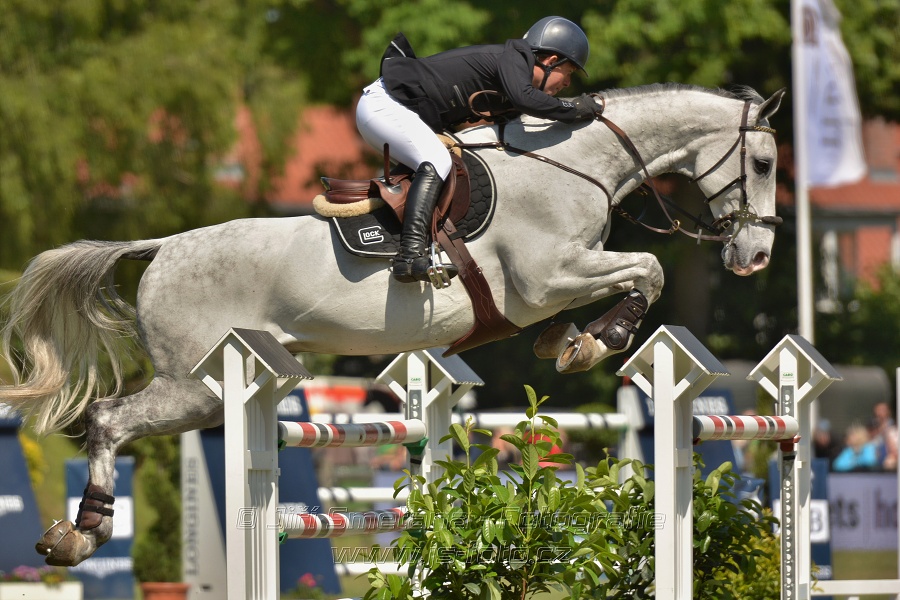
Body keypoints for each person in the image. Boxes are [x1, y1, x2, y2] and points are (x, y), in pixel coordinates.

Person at [356, 16, 602, 283]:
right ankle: (409, 255)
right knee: (437, 160)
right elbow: (527, 100)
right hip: (385, 106)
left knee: (448, 163)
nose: (567, 84)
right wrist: (575, 109)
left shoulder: (512, 77)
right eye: (569, 72)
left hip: (393, 111)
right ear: (550, 61)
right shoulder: (513, 59)